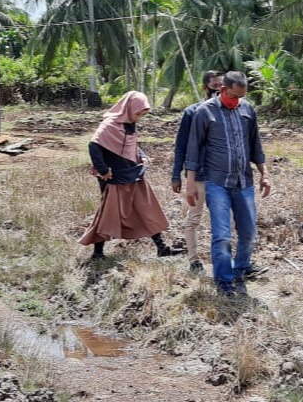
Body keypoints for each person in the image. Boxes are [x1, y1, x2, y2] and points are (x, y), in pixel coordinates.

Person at [185, 71, 271, 296]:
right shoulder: (205, 112)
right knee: (222, 234)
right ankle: (223, 281)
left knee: (249, 232)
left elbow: (255, 144)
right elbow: (192, 148)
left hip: (244, 181)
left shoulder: (247, 109)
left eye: (240, 97)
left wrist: (265, 173)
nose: (236, 101)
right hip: (217, 183)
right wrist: (190, 183)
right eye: (233, 96)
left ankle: (241, 269)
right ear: (222, 89)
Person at [79, 91, 182, 259]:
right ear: (128, 108)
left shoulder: (129, 124)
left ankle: (161, 247)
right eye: (138, 113)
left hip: (133, 174)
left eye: (143, 114)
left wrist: (142, 155)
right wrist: (104, 170)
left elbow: (130, 145)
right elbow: (94, 146)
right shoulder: (110, 124)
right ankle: (97, 253)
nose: (139, 117)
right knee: (108, 214)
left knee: (147, 209)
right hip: (114, 178)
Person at [171, 70, 223, 273]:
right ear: (205, 87)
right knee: (194, 217)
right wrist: (177, 174)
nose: (219, 89)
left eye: (222, 85)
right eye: (215, 86)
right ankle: (194, 260)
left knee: (224, 219)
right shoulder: (192, 112)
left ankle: (222, 259)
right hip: (199, 174)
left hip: (221, 175)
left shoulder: (229, 112)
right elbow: (181, 145)